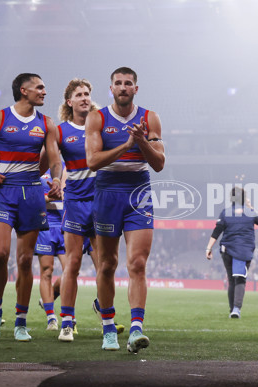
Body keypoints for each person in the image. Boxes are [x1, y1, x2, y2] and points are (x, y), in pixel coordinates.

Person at [0, 73, 63, 342]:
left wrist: (55, 178)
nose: (44, 91)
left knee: (25, 260)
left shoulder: (47, 123)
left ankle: (21, 321)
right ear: (24, 90)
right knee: (3, 253)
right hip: (4, 192)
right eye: (39, 87)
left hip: (32, 192)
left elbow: (54, 157)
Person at [86, 67, 165, 352]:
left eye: (128, 83)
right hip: (107, 191)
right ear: (111, 89)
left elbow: (158, 164)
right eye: (117, 83)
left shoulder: (149, 117)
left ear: (135, 89)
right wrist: (128, 144)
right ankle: (108, 328)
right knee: (107, 264)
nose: (122, 87)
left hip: (138, 192)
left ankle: (135, 330)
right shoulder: (97, 118)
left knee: (138, 264)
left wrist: (142, 141)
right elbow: (93, 162)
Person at [54, 78, 125, 342]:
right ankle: (67, 323)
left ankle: (104, 311)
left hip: (101, 203)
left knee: (105, 266)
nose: (85, 97)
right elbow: (50, 163)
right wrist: (53, 182)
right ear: (69, 102)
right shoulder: (61, 131)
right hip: (75, 203)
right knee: (72, 264)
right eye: (79, 94)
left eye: (87, 93)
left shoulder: (103, 125)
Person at [206, 187, 258, 318]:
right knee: (240, 279)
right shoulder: (250, 212)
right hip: (243, 250)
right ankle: (236, 309)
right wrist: (250, 206)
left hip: (227, 250)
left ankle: (232, 309)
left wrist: (208, 248)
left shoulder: (225, 213)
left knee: (231, 280)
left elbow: (217, 231)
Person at [34, 167, 66, 332]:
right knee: (46, 271)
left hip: (65, 224)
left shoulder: (66, 164)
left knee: (71, 270)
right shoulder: (38, 166)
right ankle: (51, 317)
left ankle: (50, 297)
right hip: (45, 224)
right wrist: (48, 198)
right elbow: (31, 195)